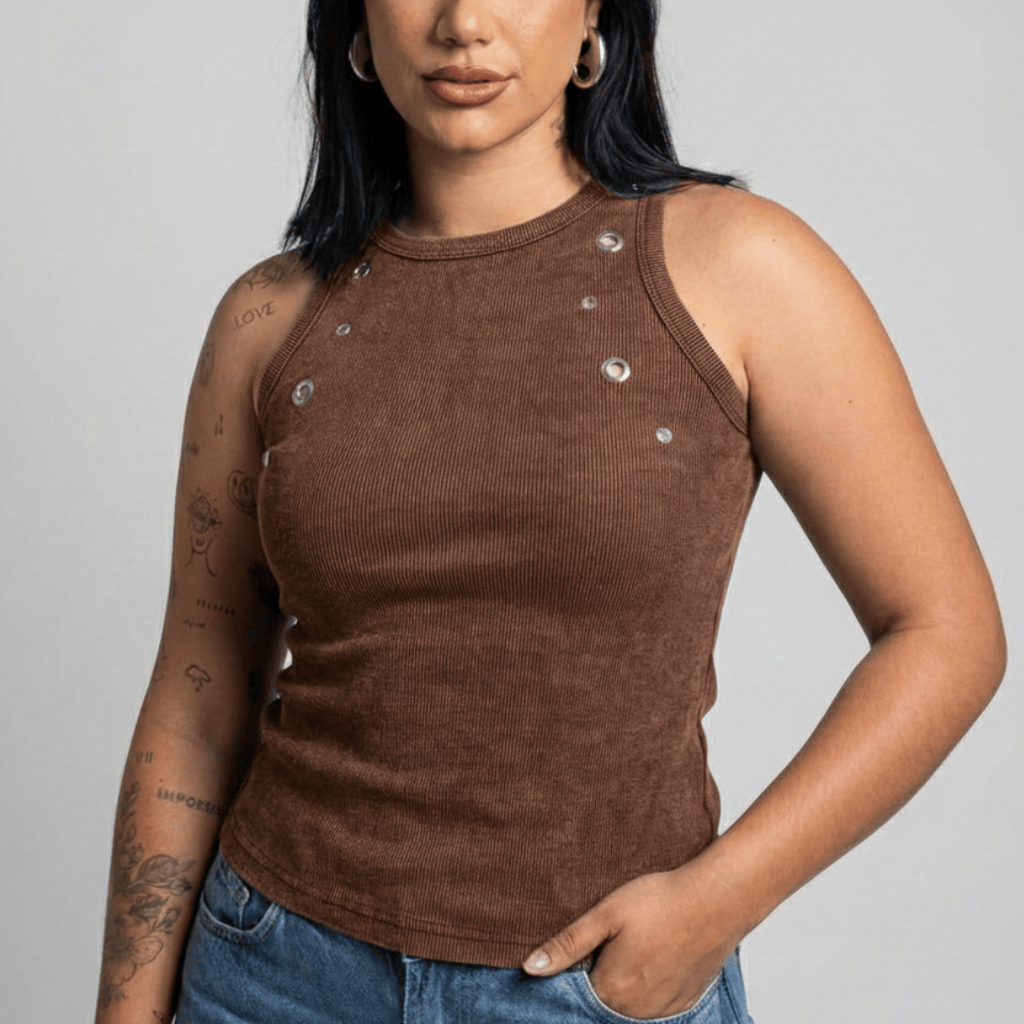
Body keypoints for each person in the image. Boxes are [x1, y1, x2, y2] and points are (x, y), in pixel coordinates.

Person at [93, 1, 1006, 1022]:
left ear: (592, 19)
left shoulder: (740, 267)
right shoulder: (268, 319)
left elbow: (947, 632)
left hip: (593, 988)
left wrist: (717, 902)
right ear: (356, 20)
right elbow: (198, 695)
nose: (463, 22)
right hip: (272, 972)